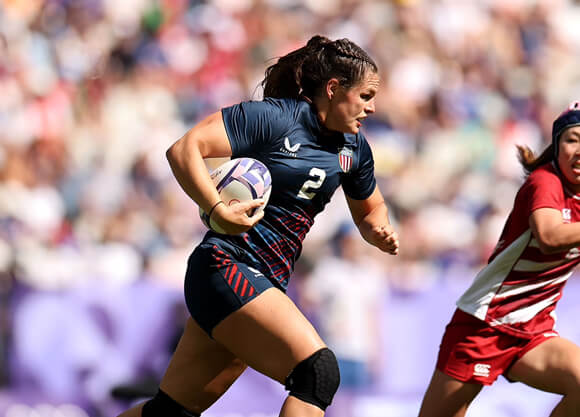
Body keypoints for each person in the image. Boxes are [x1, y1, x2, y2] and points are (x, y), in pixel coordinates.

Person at [117, 35, 399, 417]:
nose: (372, 107)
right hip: (225, 266)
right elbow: (185, 149)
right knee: (318, 373)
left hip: (263, 281)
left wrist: (377, 228)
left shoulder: (354, 148)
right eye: (365, 96)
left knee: (168, 414)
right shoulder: (275, 118)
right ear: (333, 89)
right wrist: (216, 208)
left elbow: (370, 208)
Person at [417, 101, 580, 417]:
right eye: (571, 139)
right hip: (484, 323)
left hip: (533, 330)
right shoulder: (545, 181)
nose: (579, 149)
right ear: (557, 145)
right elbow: (548, 237)